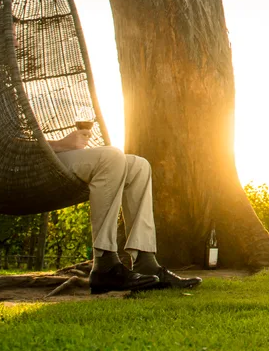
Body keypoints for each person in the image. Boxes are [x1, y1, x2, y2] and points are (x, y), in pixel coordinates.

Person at [49, 124, 202, 294]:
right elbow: (14, 146)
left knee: (139, 165)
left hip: (63, 155)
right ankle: (104, 265)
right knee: (111, 156)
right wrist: (61, 144)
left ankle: (146, 264)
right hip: (43, 161)